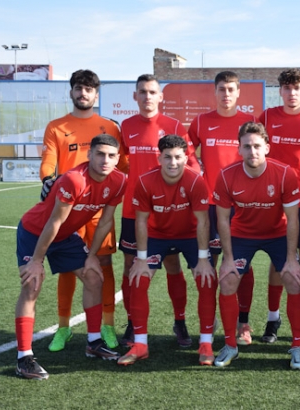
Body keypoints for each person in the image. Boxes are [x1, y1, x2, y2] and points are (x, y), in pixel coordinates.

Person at [15, 135, 127, 380]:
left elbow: (106, 220)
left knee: (94, 277)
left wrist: (92, 256)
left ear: (118, 159)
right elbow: (54, 222)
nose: (105, 160)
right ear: (89, 155)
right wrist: (36, 261)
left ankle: (94, 342)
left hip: (66, 236)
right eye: (99, 154)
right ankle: (24, 357)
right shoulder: (74, 179)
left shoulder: (119, 181)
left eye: (110, 155)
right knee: (32, 285)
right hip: (36, 232)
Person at [40, 69, 127, 352]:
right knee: (68, 267)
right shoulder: (56, 126)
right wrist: (46, 179)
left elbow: (121, 165)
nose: (83, 93)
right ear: (71, 92)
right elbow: (49, 159)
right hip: (69, 209)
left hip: (100, 209)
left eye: (89, 89)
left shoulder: (110, 127)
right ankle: (63, 328)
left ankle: (108, 326)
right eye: (79, 88)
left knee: (103, 264)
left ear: (96, 94)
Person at [213, 122, 300, 369]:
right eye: (247, 146)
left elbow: (293, 219)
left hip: (277, 234)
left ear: (267, 147)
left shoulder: (285, 174)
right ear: (239, 149)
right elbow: (222, 219)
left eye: (257, 146)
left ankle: (297, 345)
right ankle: (231, 345)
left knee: (294, 279)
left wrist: (291, 259)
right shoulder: (226, 175)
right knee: (228, 279)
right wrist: (229, 258)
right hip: (242, 235)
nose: (252, 151)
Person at [118, 135, 216, 367]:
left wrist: (203, 259)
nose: (173, 162)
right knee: (139, 278)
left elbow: (203, 221)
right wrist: (141, 259)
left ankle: (206, 344)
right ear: (159, 158)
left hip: (191, 236)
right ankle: (140, 344)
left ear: (186, 158)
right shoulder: (144, 181)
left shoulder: (195, 181)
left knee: (207, 278)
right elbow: (140, 221)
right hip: (157, 236)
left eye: (178, 157)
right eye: (168, 157)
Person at [118, 74, 200, 349]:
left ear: (160, 97)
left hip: (170, 209)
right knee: (132, 267)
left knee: (172, 265)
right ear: (135, 96)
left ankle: (180, 321)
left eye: (152, 92)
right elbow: (123, 164)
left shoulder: (174, 126)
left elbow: (192, 166)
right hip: (134, 209)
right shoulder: (126, 126)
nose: (147, 96)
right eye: (142, 91)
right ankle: (133, 322)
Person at [258, 68, 300, 346]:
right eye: (287, 88)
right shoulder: (266, 117)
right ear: (280, 91)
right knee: (278, 261)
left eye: (297, 88)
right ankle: (273, 318)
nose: (292, 93)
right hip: (274, 200)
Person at [188, 71, 257, 347]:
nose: (226, 94)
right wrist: (197, 170)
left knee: (244, 265)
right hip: (211, 205)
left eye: (231, 89)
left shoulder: (249, 122)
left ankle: (243, 321)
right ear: (214, 92)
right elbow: (187, 150)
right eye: (221, 89)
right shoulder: (202, 121)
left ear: (238, 93)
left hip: (242, 205)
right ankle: (210, 319)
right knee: (208, 261)